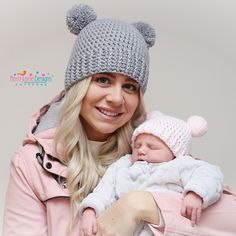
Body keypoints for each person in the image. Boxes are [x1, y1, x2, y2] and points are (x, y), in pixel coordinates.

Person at [3, 3, 236, 236]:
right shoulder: (32, 163)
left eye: (129, 86)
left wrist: (139, 205)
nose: (116, 98)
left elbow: (229, 217)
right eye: (103, 80)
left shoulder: (151, 145)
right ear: (78, 86)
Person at [78, 112, 223, 236]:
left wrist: (196, 193)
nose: (141, 150)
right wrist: (90, 210)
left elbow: (210, 174)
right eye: (137, 145)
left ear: (174, 152)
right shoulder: (123, 166)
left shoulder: (181, 165)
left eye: (152, 147)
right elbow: (104, 191)